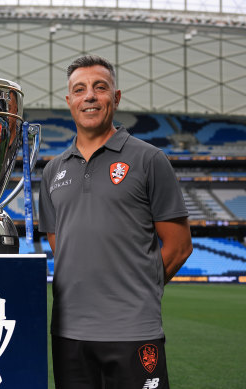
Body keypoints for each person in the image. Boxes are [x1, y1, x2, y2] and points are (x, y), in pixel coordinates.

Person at [38, 55, 193, 389]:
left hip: (134, 331)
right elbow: (58, 241)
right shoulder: (53, 171)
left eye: (100, 87)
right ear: (69, 102)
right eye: (79, 90)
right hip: (69, 333)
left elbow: (179, 247)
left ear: (116, 97)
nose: (89, 96)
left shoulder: (149, 159)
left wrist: (138, 290)